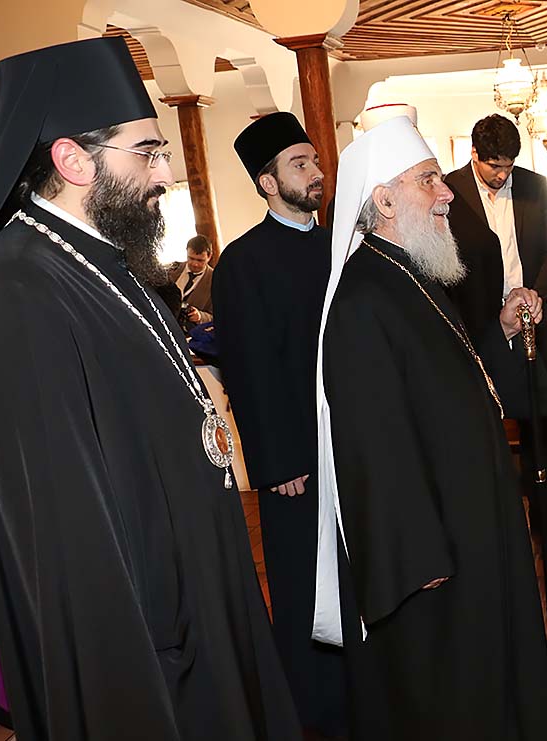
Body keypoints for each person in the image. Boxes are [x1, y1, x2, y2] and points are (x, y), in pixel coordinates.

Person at [0, 37, 300, 739]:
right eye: (148, 152)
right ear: (73, 160)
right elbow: (61, 517)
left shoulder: (110, 259)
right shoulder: (15, 284)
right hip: (142, 631)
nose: (165, 173)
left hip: (195, 588)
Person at [310, 112, 547, 739]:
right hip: (433, 552)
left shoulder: (412, 273)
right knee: (452, 699)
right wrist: (418, 555)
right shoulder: (364, 297)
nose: (448, 191)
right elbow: (374, 446)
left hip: (469, 522)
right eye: (429, 180)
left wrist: (500, 330)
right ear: (384, 201)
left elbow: (450, 375)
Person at [212, 112, 345, 738]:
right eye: (300, 164)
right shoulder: (243, 261)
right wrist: (277, 461)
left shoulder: (342, 245)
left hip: (351, 444)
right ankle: (311, 713)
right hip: (295, 460)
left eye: (315, 160)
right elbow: (248, 369)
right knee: (301, 584)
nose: (316, 172)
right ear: (267, 183)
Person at [444, 113, 547, 546]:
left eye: (509, 166)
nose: (502, 175)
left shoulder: (535, 187)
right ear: (474, 154)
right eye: (494, 166)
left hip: (529, 319)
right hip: (477, 326)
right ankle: (492, 523)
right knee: (480, 423)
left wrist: (535, 294)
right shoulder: (449, 190)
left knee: (537, 423)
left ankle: (544, 515)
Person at [167, 234, 214, 329]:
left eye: (200, 260)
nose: (195, 264)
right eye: (191, 258)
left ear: (209, 257)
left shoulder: (216, 280)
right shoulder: (171, 270)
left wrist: (200, 316)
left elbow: (220, 316)